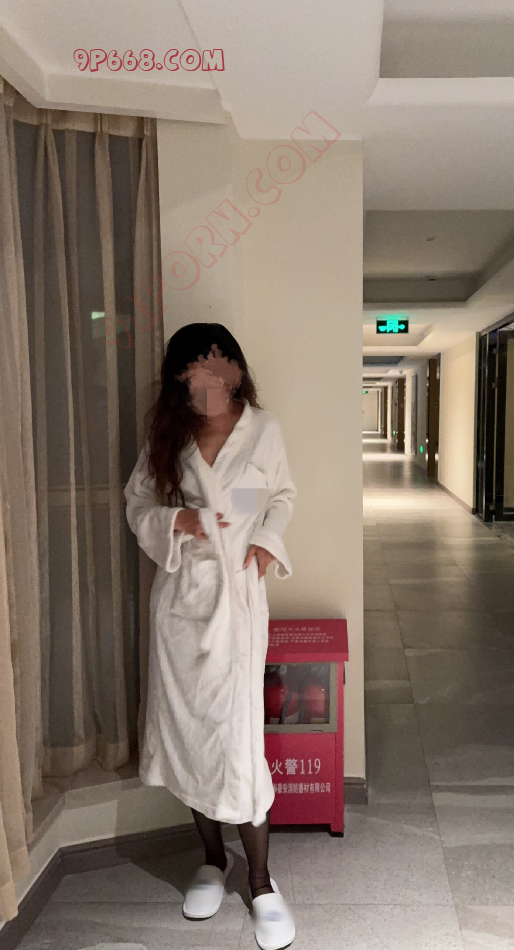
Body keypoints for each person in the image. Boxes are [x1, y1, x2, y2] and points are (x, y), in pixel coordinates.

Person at [124, 323, 296, 950]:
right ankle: (212, 859)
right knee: (191, 738)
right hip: (182, 605)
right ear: (180, 379)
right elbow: (138, 505)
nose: (213, 379)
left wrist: (262, 542)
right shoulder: (166, 437)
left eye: (223, 366)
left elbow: (278, 495)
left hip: (239, 608)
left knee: (239, 743)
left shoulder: (263, 430)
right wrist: (181, 520)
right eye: (199, 369)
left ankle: (262, 883)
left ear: (237, 371)